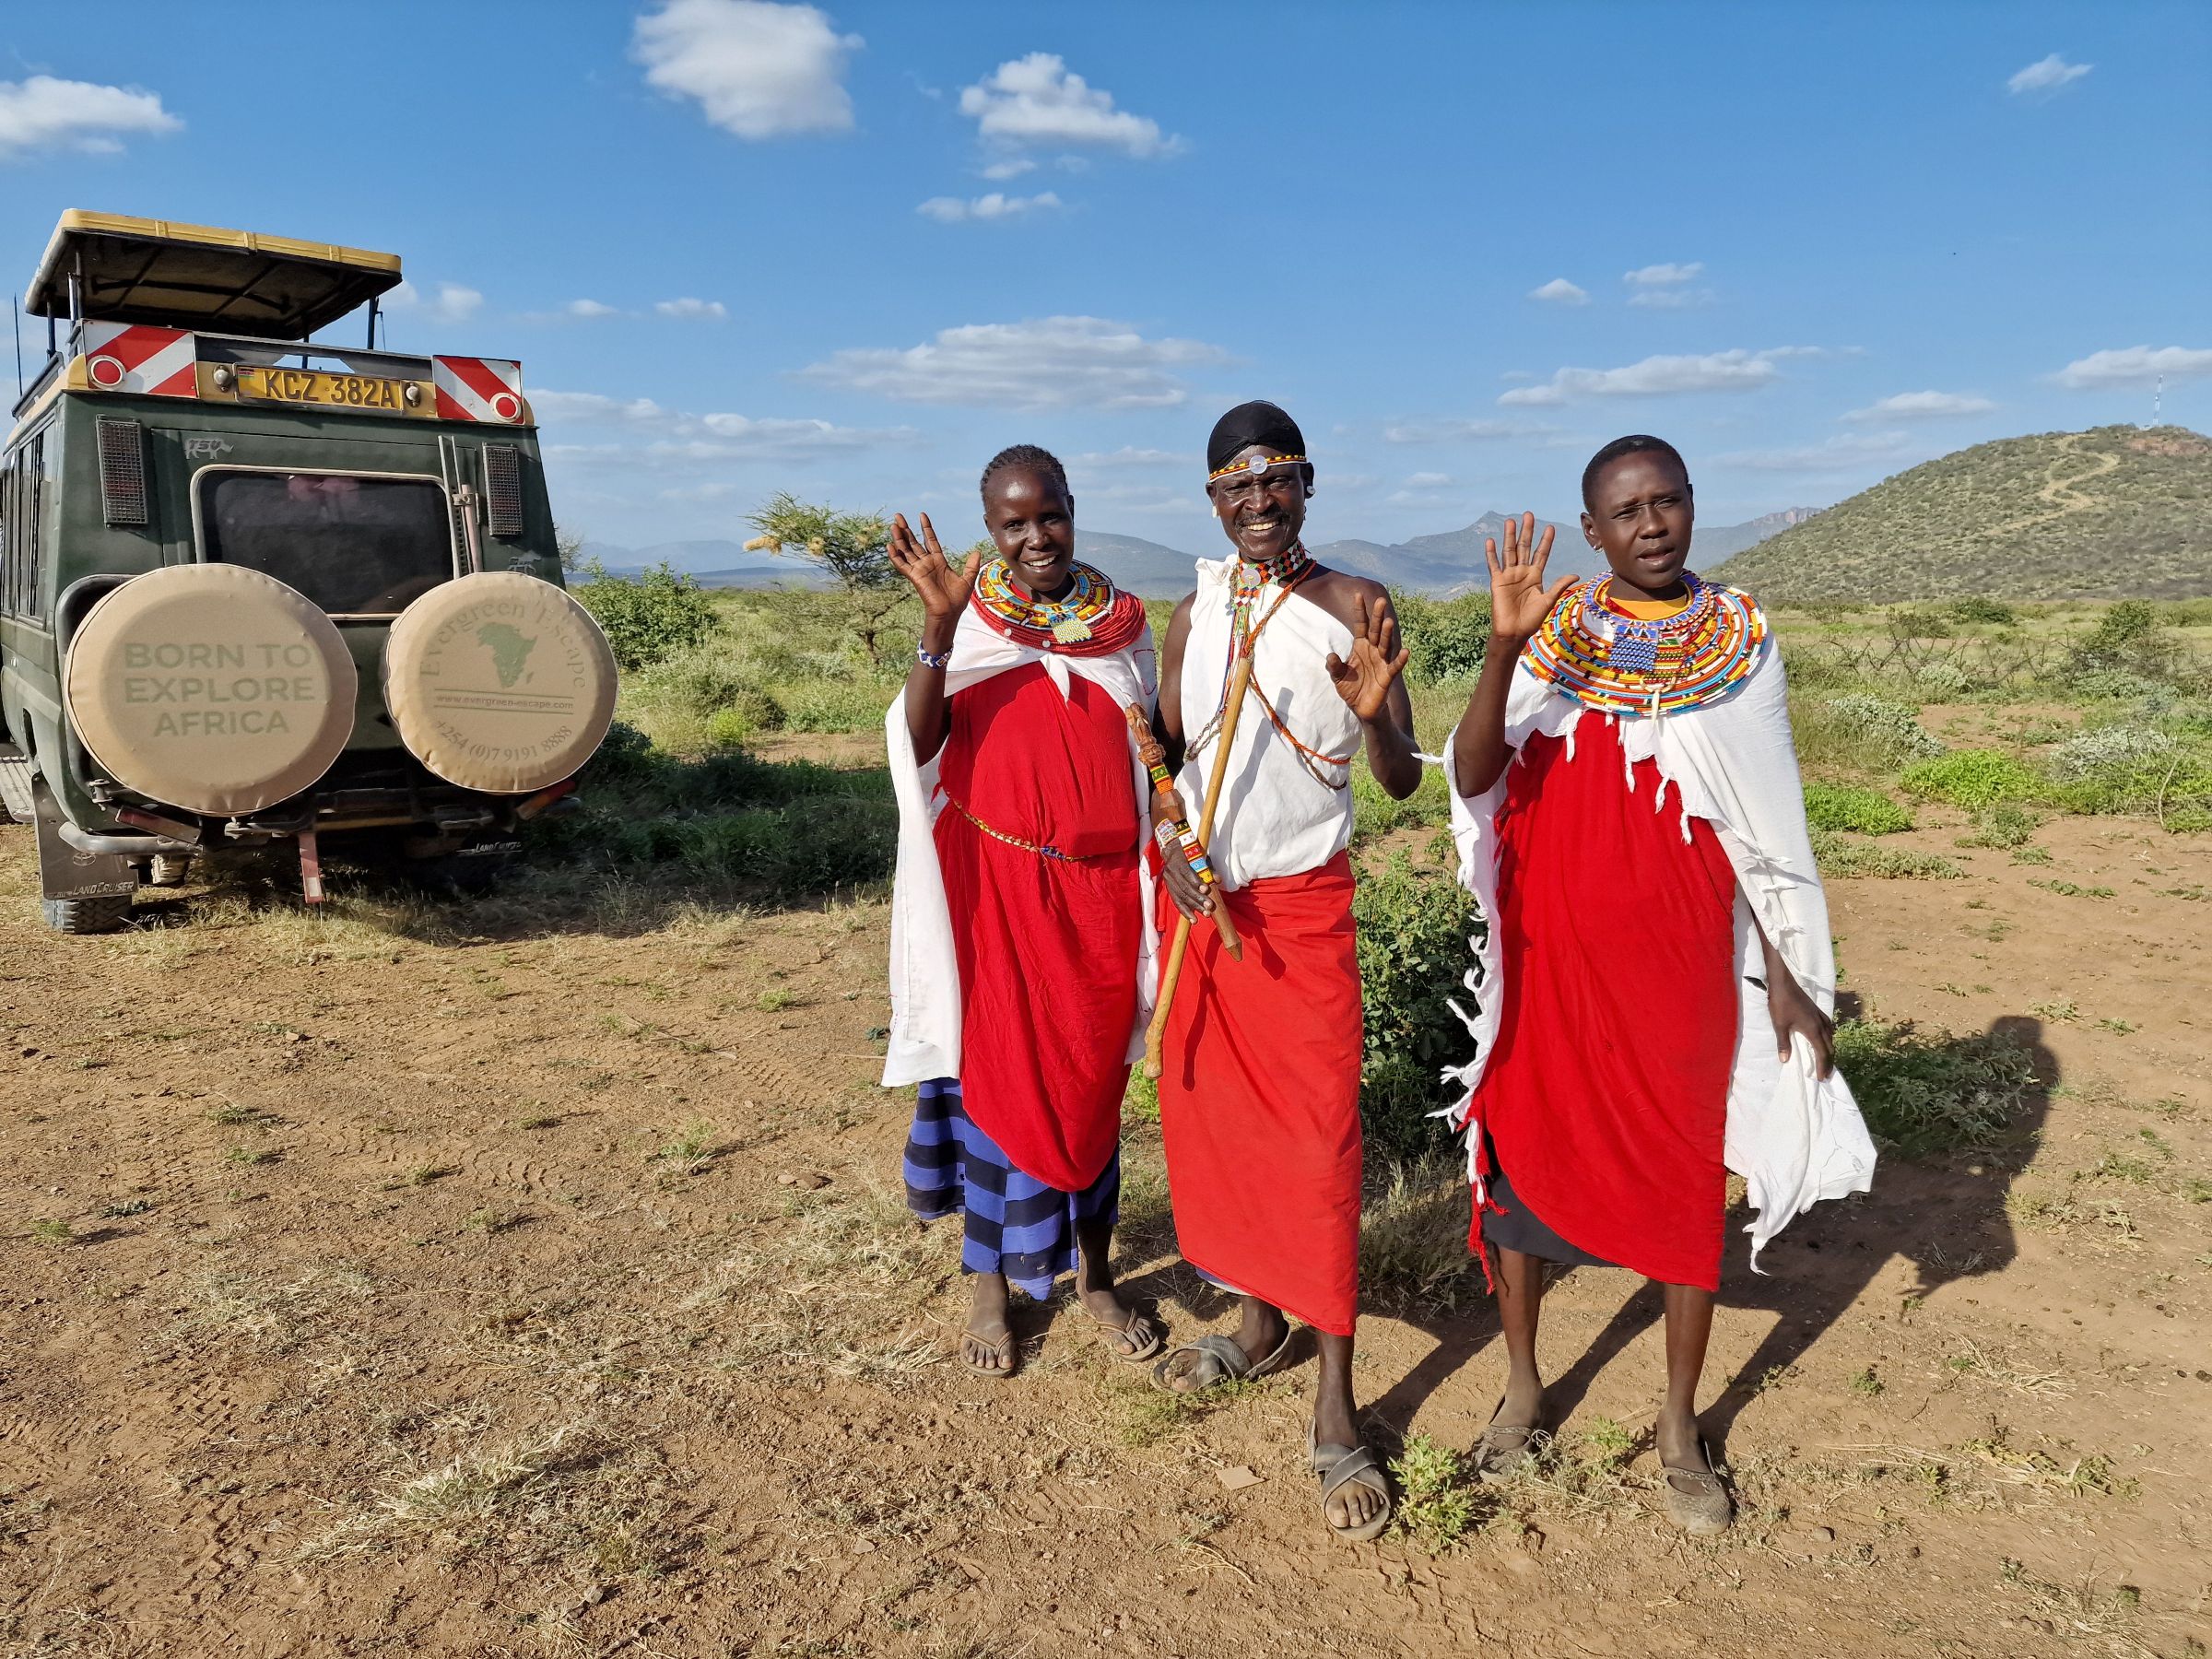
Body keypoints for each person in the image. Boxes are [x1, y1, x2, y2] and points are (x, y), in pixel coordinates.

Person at [1442, 436, 1877, 1533]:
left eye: (1667, 502)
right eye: (1626, 511)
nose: (1651, 525)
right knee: (1524, 1163)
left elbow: (1768, 827)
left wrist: (1785, 968)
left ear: (1692, 506)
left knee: (1685, 1177)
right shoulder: (1553, 633)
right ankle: (1526, 1387)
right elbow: (1475, 773)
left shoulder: (1740, 642)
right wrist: (1504, 649)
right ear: (1591, 531)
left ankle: (1680, 1426)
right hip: (1552, 955)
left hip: (1680, 959)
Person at [1149, 400, 1421, 1543]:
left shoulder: (1356, 606)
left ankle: (1338, 1410)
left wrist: (1375, 722)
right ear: (1213, 500)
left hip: (1305, 917)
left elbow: (1402, 779)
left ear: (1307, 484)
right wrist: (1170, 847)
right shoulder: (1193, 609)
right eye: (1235, 490)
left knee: (1316, 1148)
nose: (1258, 505)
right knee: (1224, 1127)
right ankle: (1258, 1325)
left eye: (1278, 483)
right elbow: (1165, 760)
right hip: (1212, 918)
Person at [880, 444, 1165, 1379]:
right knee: (991, 1085)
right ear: (990, 529)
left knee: (1090, 1088)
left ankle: (1092, 1277)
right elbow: (920, 740)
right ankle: (990, 1290)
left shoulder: (1123, 628)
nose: (1035, 537)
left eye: (1049, 516)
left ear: (1072, 511)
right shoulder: (969, 625)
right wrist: (935, 625)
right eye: (1014, 523)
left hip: (1096, 897)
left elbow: (1153, 749)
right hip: (996, 889)